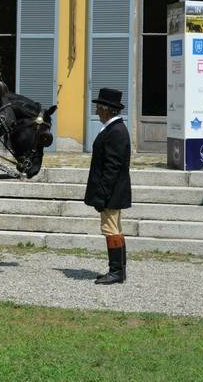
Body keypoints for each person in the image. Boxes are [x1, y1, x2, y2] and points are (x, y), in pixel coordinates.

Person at [84, 87, 132, 285]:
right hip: (113, 190)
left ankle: (116, 271)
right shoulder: (114, 129)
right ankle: (119, 269)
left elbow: (112, 168)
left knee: (110, 228)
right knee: (115, 228)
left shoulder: (116, 131)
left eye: (98, 108)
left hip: (112, 192)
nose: (96, 112)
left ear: (106, 110)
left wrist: (101, 196)